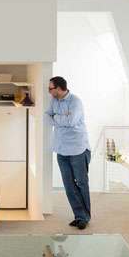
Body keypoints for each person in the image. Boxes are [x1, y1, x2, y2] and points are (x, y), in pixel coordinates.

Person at [45, 76, 91, 229]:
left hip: (78, 148)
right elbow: (47, 117)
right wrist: (61, 117)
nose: (49, 91)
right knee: (69, 185)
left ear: (59, 88)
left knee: (81, 183)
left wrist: (57, 118)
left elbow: (71, 122)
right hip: (61, 149)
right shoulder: (54, 101)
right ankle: (79, 216)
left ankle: (85, 217)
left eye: (50, 88)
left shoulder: (75, 102)